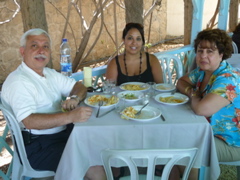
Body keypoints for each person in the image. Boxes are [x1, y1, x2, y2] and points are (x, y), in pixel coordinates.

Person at [1, 28, 106, 180]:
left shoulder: (48, 73)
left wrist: (75, 98)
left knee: (101, 143)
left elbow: (79, 86)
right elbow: (30, 121)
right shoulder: (19, 81)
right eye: (34, 45)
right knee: (92, 163)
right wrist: (70, 116)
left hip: (61, 134)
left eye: (46, 46)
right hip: (38, 146)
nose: (41, 51)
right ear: (22, 51)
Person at [177, 28, 240, 179]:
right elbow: (181, 81)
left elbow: (201, 109)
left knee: (186, 148)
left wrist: (195, 97)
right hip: (208, 131)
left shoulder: (227, 79)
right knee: (176, 137)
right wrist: (193, 93)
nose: (203, 56)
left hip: (230, 141)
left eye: (210, 51)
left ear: (221, 54)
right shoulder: (203, 71)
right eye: (200, 50)